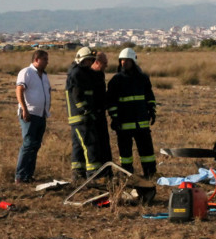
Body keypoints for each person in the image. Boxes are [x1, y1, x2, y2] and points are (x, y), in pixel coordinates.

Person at [107, 48, 158, 178]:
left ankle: (150, 172)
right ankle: (127, 173)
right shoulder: (116, 80)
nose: (124, 63)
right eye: (122, 60)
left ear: (133, 62)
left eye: (127, 60)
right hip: (123, 124)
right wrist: (115, 117)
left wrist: (152, 110)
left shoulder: (143, 78)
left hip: (141, 123)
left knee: (147, 151)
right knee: (125, 153)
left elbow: (149, 96)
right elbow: (111, 101)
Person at [66, 47, 106, 182]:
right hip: (81, 117)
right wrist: (86, 111)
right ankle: (93, 175)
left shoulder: (81, 73)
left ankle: (78, 174)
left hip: (77, 117)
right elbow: (77, 95)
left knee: (78, 146)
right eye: (89, 60)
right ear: (82, 60)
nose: (90, 63)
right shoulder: (77, 74)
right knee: (90, 144)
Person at [15, 49, 52, 184]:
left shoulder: (44, 75)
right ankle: (20, 176)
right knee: (28, 144)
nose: (47, 62)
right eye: (45, 59)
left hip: (41, 114)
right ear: (37, 60)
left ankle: (28, 175)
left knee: (35, 145)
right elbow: (19, 90)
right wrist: (24, 109)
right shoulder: (27, 72)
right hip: (30, 114)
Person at [90, 51, 113, 168]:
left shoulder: (100, 74)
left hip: (101, 114)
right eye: (105, 63)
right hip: (92, 116)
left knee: (104, 143)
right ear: (97, 62)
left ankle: (106, 169)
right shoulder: (88, 75)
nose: (106, 66)